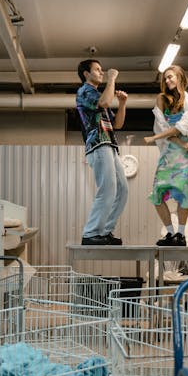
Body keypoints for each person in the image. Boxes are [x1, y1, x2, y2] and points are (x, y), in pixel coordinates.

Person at [144, 65, 188, 246]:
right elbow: (163, 127)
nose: (167, 81)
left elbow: (181, 127)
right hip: (169, 152)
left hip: (184, 156)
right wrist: (180, 142)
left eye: (170, 77)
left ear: (180, 77)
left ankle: (180, 235)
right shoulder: (161, 99)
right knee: (157, 194)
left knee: (183, 194)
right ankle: (170, 233)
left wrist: (155, 138)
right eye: (165, 78)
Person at [76, 59, 129, 245]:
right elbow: (105, 102)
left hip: (110, 145)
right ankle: (91, 232)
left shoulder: (97, 95)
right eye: (97, 70)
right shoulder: (85, 91)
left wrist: (122, 103)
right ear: (86, 74)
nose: (102, 72)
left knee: (122, 190)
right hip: (98, 145)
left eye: (102, 70)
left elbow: (117, 124)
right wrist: (112, 79)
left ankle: (105, 231)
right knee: (107, 188)